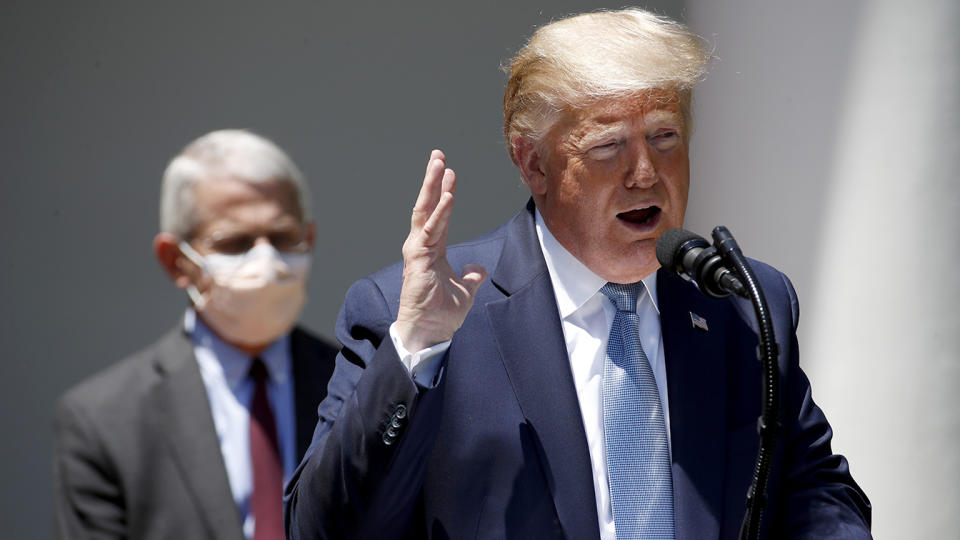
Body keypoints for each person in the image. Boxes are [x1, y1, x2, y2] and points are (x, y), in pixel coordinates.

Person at [285, 8, 871, 540]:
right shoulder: (414, 314)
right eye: (608, 147)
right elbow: (321, 528)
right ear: (533, 163)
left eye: (664, 137)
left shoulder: (742, 300)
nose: (645, 172)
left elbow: (814, 492)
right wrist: (416, 347)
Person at [53, 129, 338, 540]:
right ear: (175, 261)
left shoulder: (362, 389)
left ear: (308, 239)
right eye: (235, 243)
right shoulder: (103, 420)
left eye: (283, 238)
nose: (268, 260)